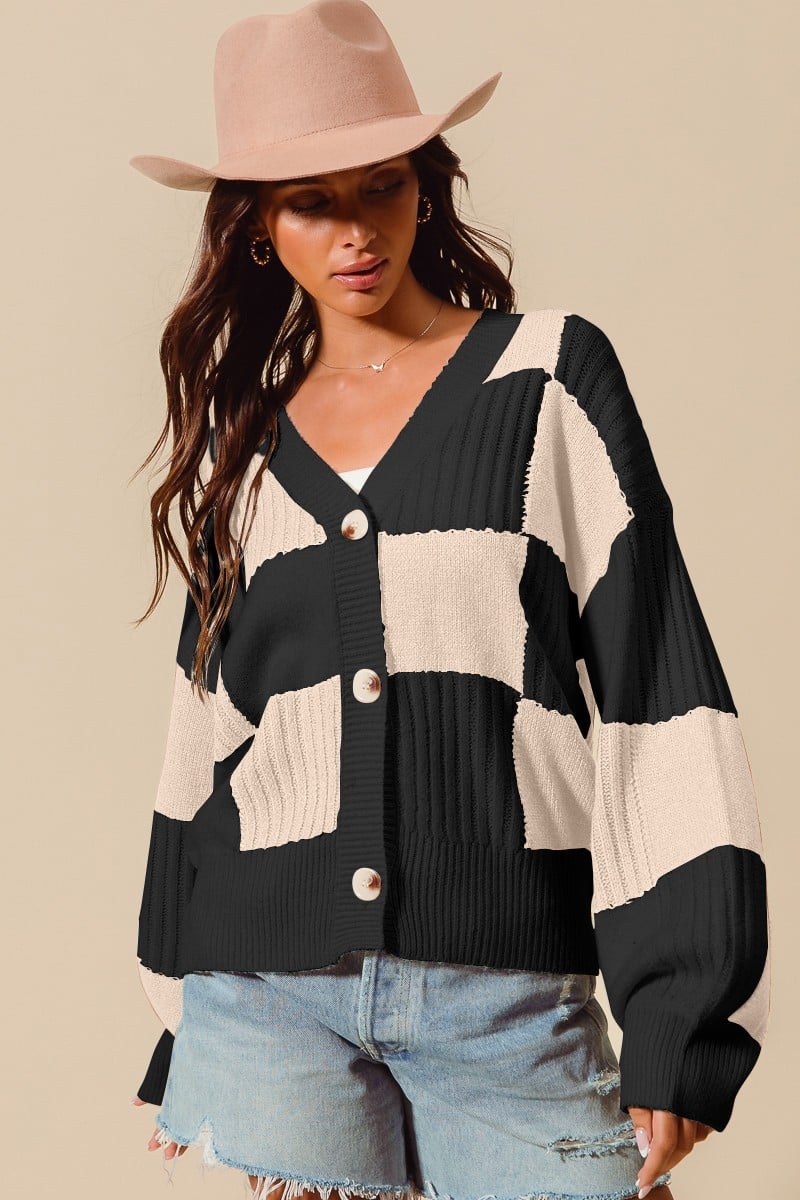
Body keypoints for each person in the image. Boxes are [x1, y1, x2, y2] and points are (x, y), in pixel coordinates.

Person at [127, 4, 771, 1200]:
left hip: (504, 999)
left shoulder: (546, 379)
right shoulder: (243, 453)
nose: (355, 229)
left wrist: (683, 1013)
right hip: (269, 1009)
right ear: (259, 227)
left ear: (424, 184)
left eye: (381, 184)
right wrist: (181, 1017)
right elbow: (207, 738)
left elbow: (657, 693)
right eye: (310, 201)